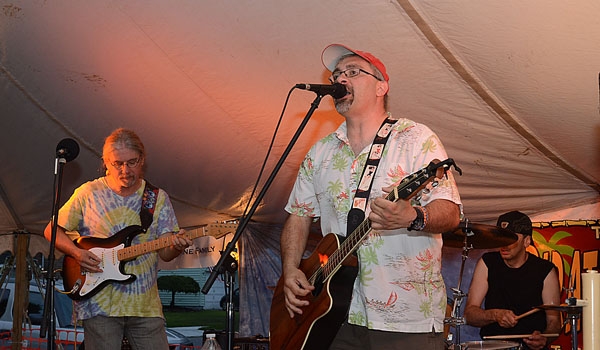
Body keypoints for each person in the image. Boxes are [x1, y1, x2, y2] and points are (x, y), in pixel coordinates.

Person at [279, 44, 462, 349]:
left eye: (353, 72)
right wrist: (290, 270)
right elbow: (298, 215)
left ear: (381, 87)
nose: (341, 79)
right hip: (334, 315)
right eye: (337, 74)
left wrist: (416, 217)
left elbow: (450, 213)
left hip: (406, 317)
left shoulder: (416, 138)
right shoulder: (320, 151)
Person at [43, 128, 192, 350]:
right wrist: (77, 253)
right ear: (105, 162)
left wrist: (177, 246)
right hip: (99, 303)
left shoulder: (156, 198)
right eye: (117, 164)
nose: (125, 170)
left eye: (132, 162)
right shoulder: (88, 193)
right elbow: (51, 230)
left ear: (142, 160)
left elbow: (166, 253)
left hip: (145, 306)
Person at [464, 211, 561, 350]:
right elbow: (469, 314)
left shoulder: (545, 270)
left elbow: (554, 322)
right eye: (501, 237)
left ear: (527, 241)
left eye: (511, 238)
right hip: (493, 347)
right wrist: (495, 315)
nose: (505, 244)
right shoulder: (487, 263)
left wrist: (544, 338)